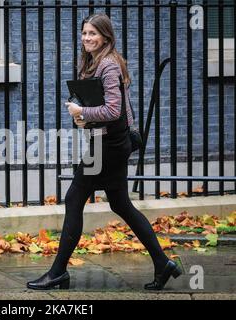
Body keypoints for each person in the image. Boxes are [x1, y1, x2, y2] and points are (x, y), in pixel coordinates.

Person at [27, 13, 181, 291]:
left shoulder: (108, 64)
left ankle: (58, 272)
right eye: (84, 33)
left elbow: (113, 109)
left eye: (93, 34)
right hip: (110, 141)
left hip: (108, 146)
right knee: (121, 204)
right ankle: (162, 263)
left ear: (106, 37)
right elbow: (117, 105)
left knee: (74, 198)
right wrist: (85, 118)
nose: (87, 38)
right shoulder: (97, 62)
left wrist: (82, 111)